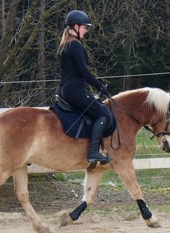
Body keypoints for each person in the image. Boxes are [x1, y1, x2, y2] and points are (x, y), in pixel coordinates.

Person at [57, 10, 112, 164]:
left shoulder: (64, 45)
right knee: (104, 115)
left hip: (67, 89)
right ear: (75, 26)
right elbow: (83, 71)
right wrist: (100, 86)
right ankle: (93, 152)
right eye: (84, 27)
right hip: (75, 90)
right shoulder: (75, 45)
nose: (86, 31)